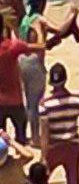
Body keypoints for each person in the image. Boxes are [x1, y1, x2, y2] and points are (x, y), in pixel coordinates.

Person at [18, 0, 79, 146]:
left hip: (21, 60)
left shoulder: (25, 19)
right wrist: (72, 15)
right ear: (41, 3)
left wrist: (51, 42)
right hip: (34, 63)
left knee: (29, 101)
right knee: (35, 101)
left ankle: (32, 134)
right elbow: (60, 30)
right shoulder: (39, 19)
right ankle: (35, 137)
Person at [0, 14, 53, 144]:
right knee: (21, 139)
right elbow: (40, 47)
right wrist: (38, 29)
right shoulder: (12, 46)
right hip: (15, 101)